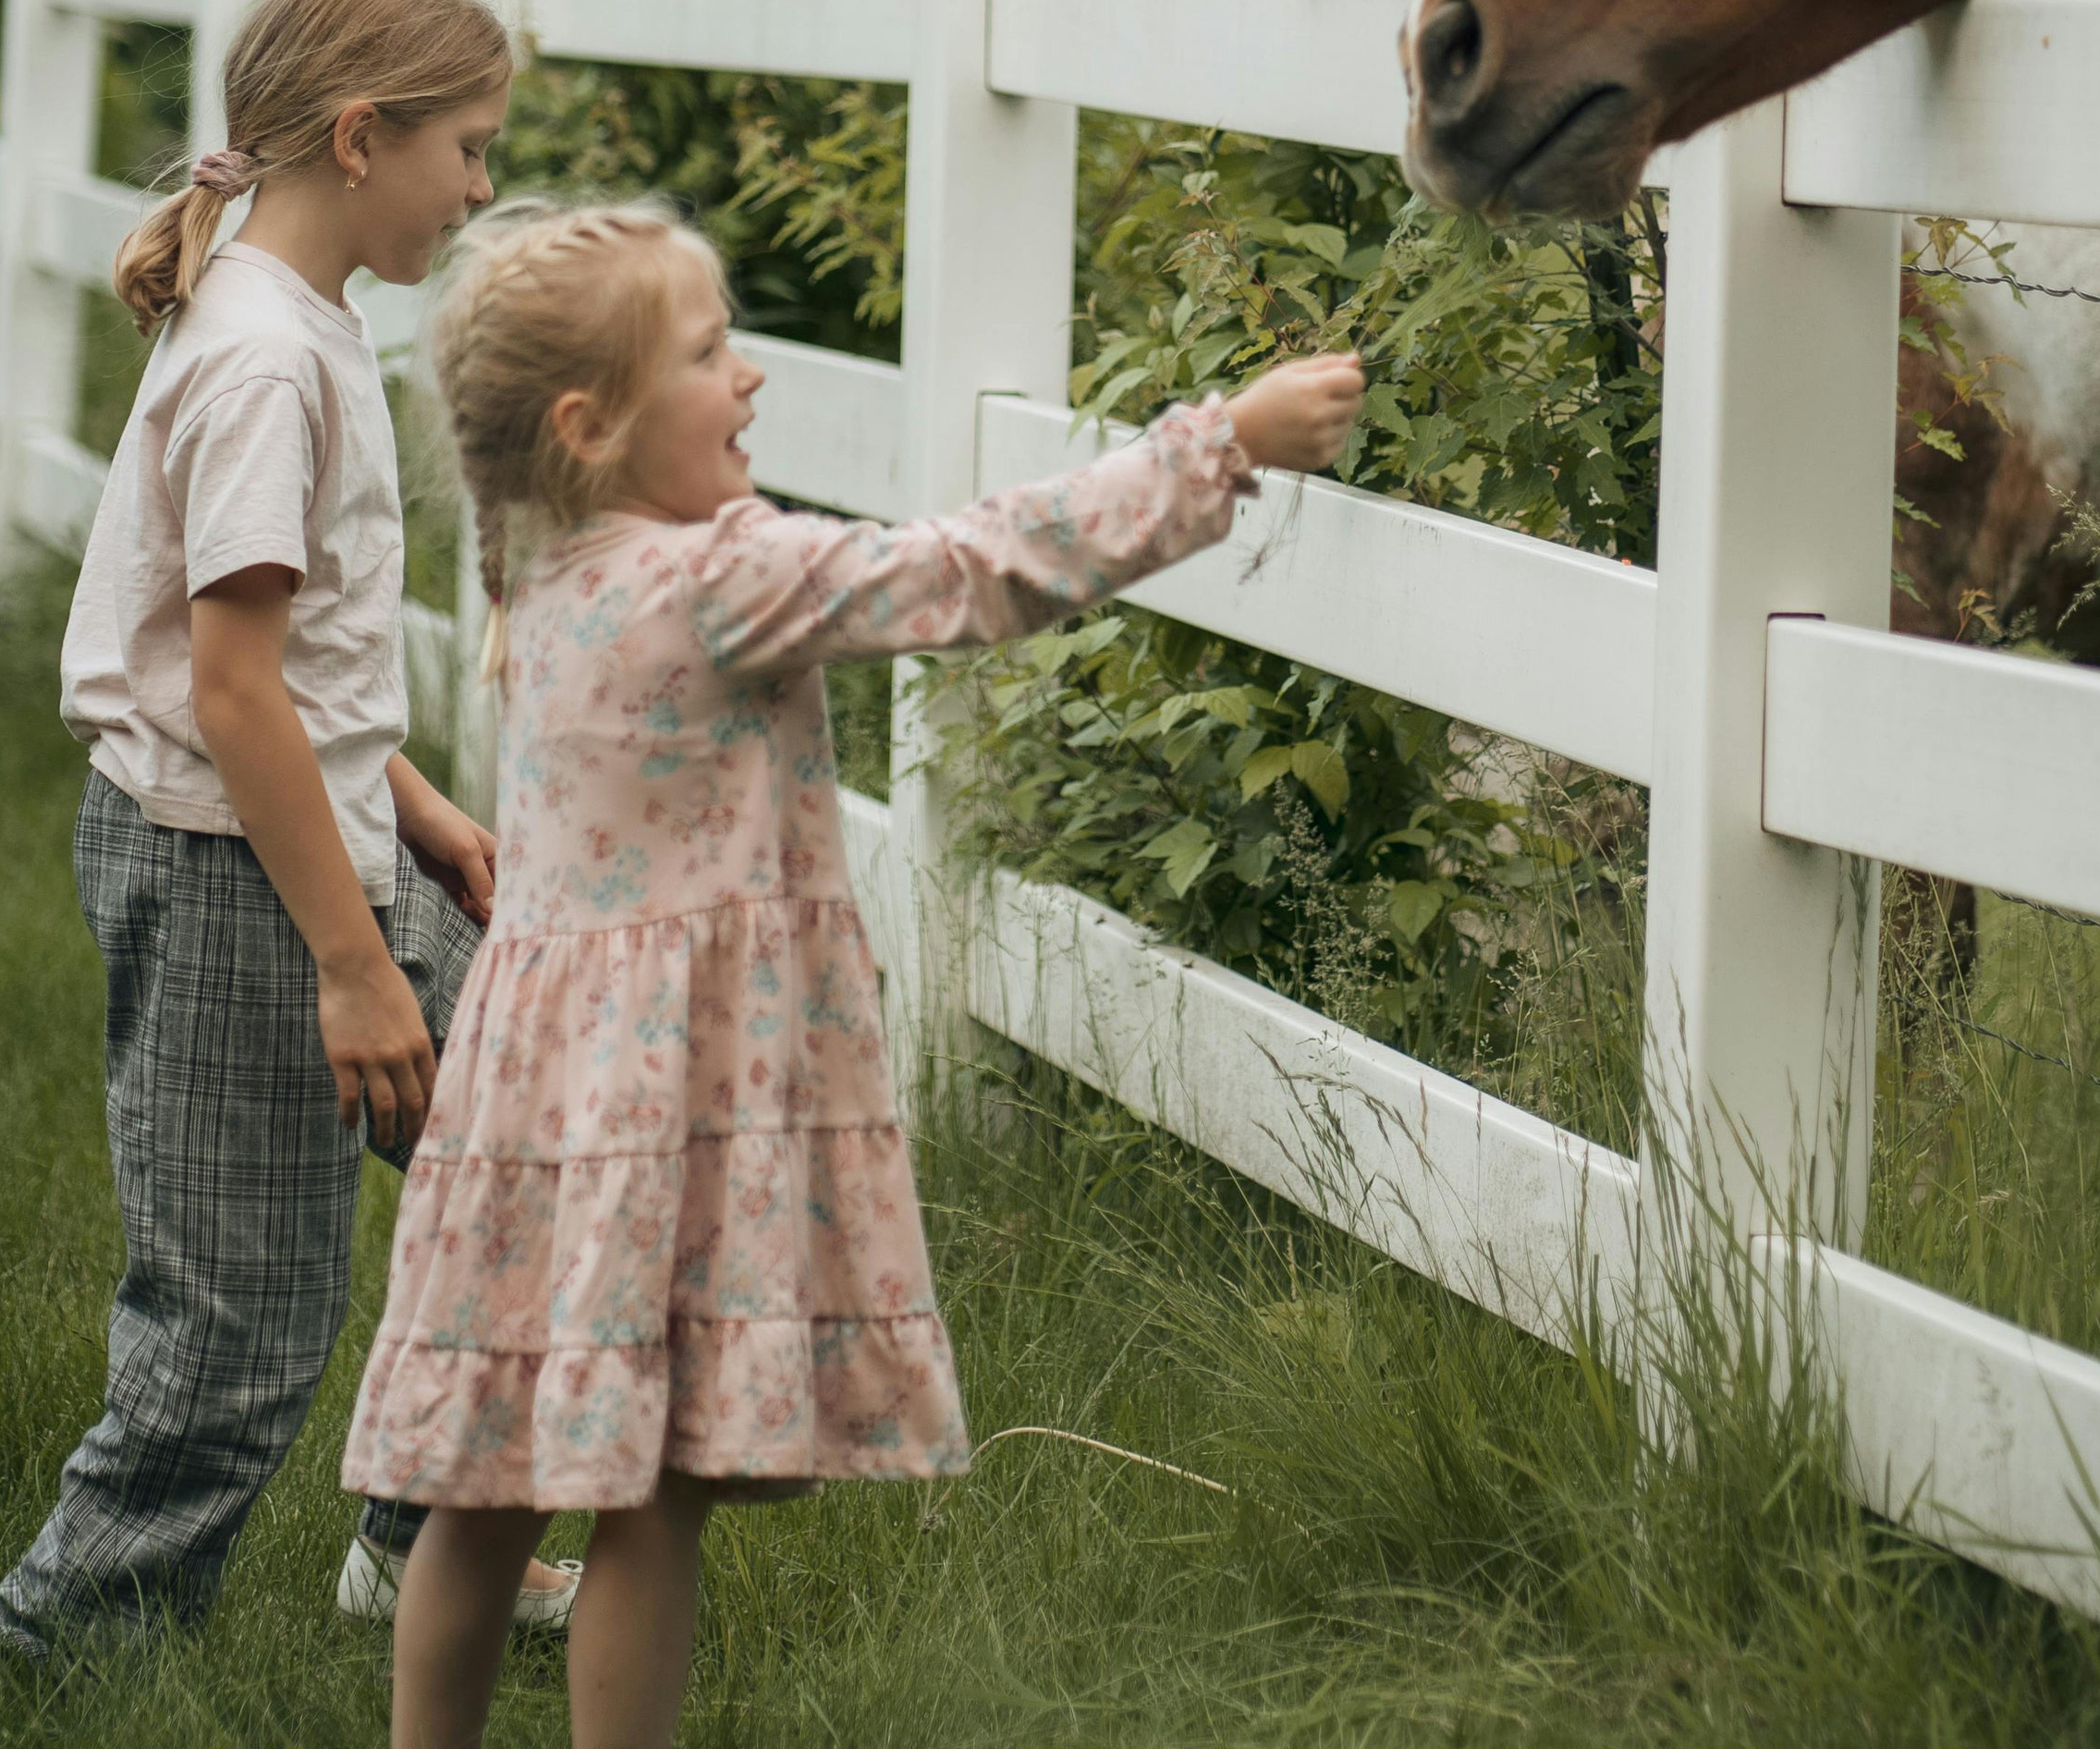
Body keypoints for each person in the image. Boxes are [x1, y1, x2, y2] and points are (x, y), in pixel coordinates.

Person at [346, 197, 1367, 1749]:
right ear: (591, 422)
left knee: (488, 1477)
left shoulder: (545, 575)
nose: (747, 378)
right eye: (709, 350)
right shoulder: (715, 580)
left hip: (541, 1100)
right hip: (672, 1103)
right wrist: (1221, 439)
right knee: (653, 1498)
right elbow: (969, 569)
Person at [0, 0, 580, 1663]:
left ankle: (423, 1546)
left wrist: (418, 809)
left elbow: (274, 657)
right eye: (468, 147)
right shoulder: (260, 361)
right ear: (360, 135)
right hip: (235, 875)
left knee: (538, 1150)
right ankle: (63, 1641)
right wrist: (354, 959)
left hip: (318, 840)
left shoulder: (299, 321)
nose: (480, 186)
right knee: (241, 1329)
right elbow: (227, 689)